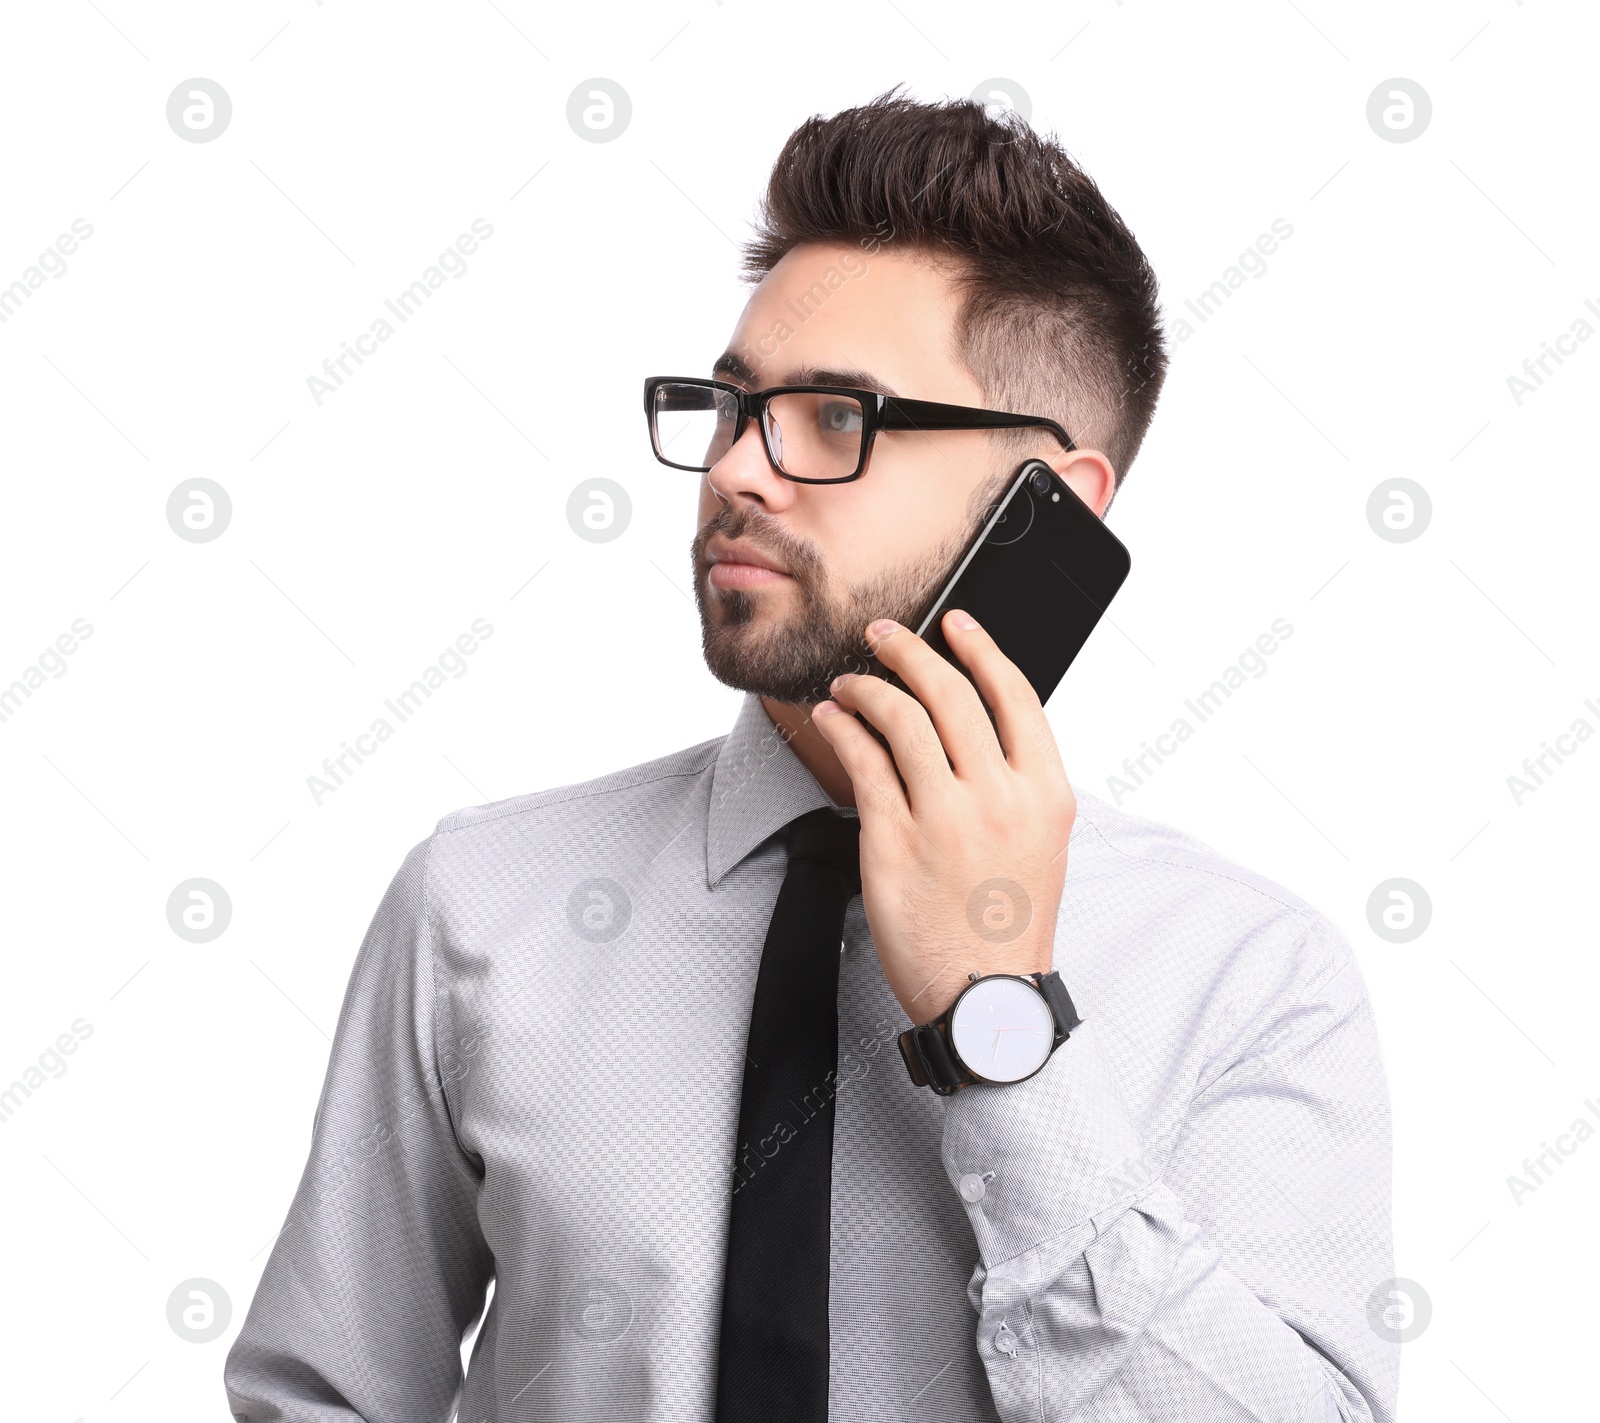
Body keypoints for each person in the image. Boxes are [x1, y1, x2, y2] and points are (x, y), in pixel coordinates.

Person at [224, 91, 1395, 1422]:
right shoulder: (478, 907)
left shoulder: (1250, 977)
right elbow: (323, 1397)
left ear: (1052, 508)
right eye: (731, 408)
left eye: (835, 418)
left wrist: (997, 1020)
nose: (736, 471)